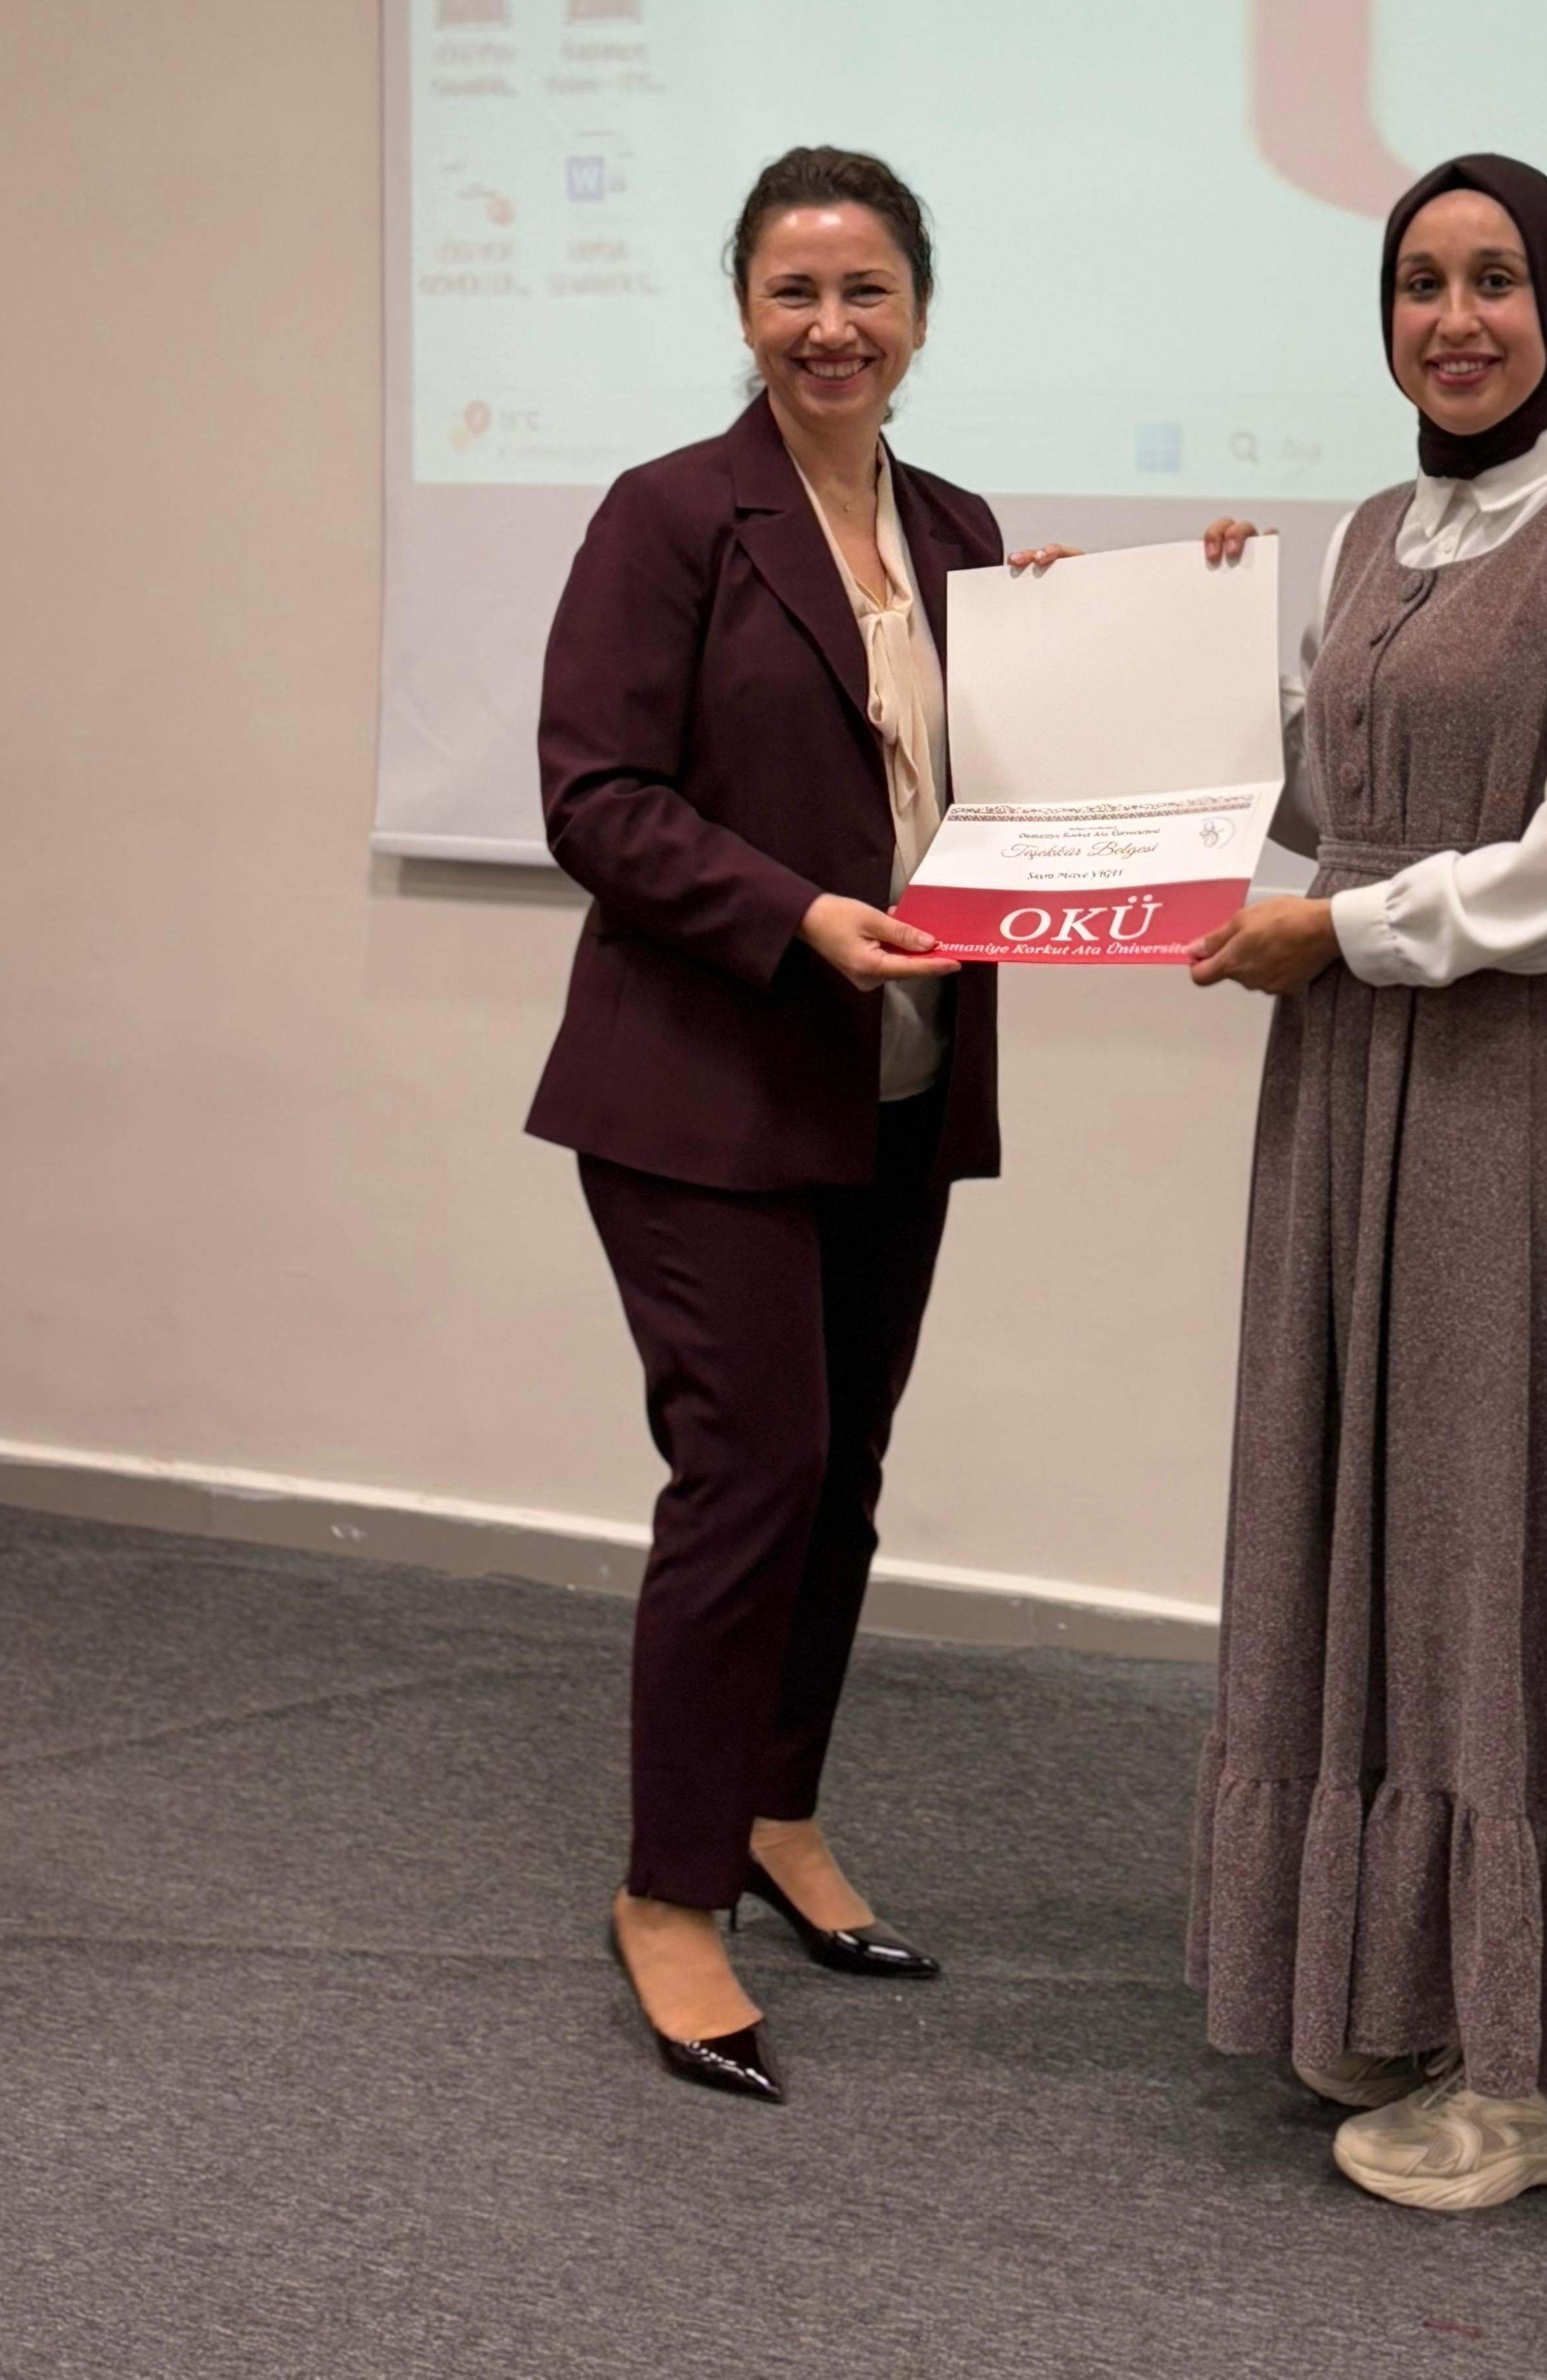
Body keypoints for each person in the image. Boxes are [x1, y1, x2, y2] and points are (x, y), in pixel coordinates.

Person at [1184, 152, 1547, 2211]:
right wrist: (1147, 653)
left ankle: (1546, 2070)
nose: (1457, 319)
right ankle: (1405, 1984)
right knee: (1369, 1527)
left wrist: (1342, 931)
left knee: (1520, 1545)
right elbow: (1335, 795)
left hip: (1529, 1090)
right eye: (1421, 283)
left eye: (1498, 281)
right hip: (1356, 1089)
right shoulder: (1376, 530)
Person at [525, 146, 1068, 2102]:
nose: (832, 327)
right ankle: (671, 1892)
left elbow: (1009, 781)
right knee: (751, 1471)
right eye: (794, 292)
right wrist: (796, 915)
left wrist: (1139, 637)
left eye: (866, 291)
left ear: (920, 309)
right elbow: (594, 796)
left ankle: (773, 1809)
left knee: (840, 1477)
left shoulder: (963, 531)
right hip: (704, 1082)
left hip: (899, 1081)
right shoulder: (671, 514)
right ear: (744, 310)